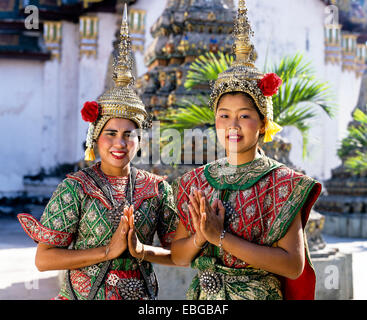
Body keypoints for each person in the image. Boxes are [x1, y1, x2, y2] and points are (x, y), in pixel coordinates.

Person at [17, 4, 178, 300]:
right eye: (111, 134)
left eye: (129, 135)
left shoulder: (156, 189)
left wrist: (142, 251)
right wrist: (106, 251)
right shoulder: (76, 189)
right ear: (95, 137)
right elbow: (44, 259)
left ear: (139, 140)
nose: (120, 143)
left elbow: (177, 254)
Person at [170, 1, 321, 300]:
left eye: (244, 115)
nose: (233, 125)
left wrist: (220, 237)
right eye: (224, 115)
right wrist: (200, 237)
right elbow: (178, 256)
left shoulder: (283, 183)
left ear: (263, 124)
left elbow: (293, 265)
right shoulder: (196, 182)